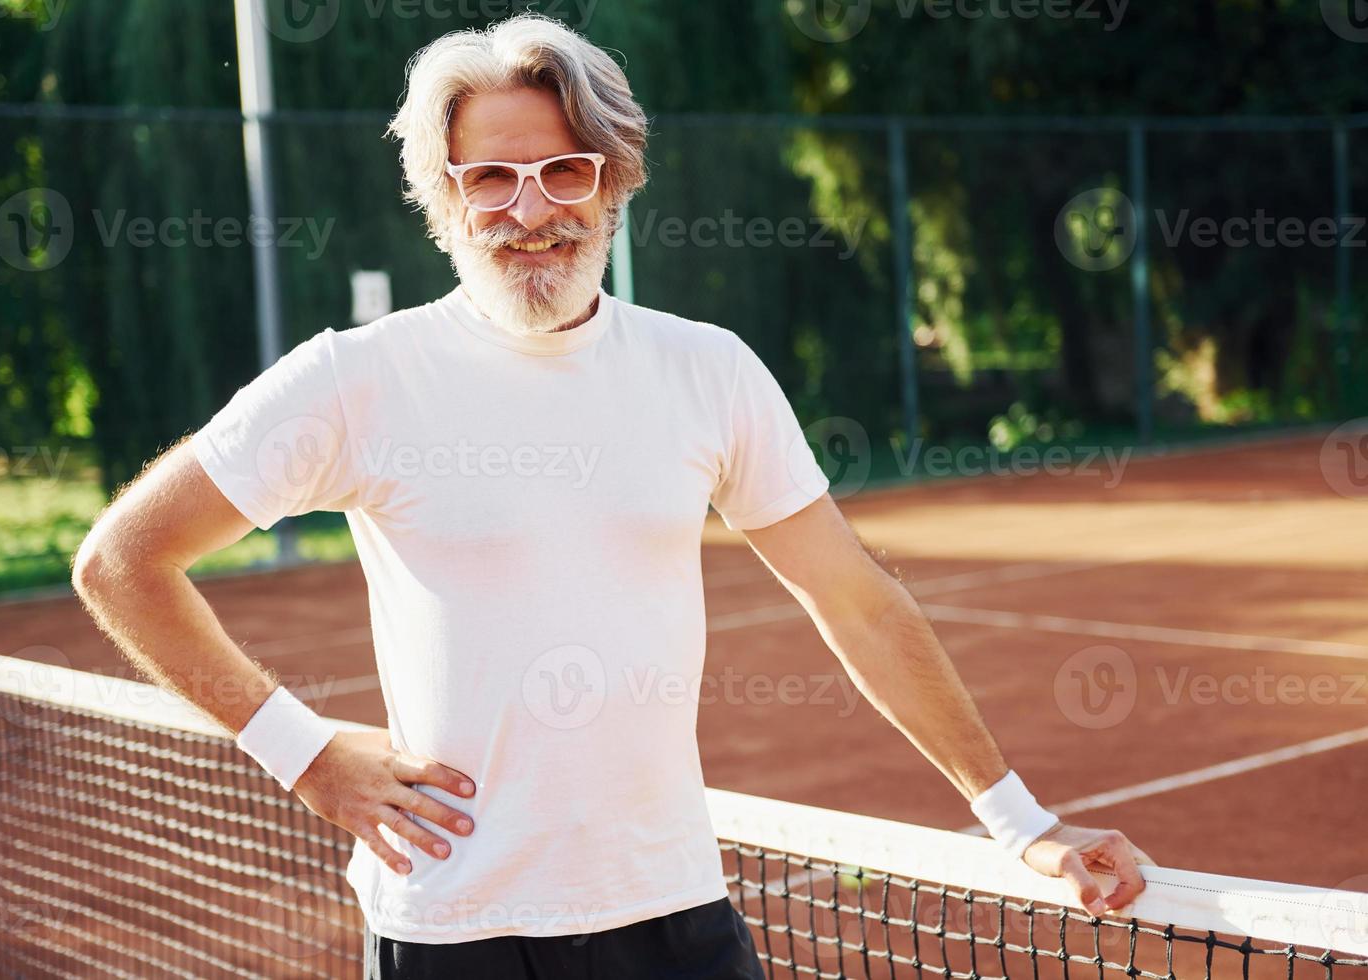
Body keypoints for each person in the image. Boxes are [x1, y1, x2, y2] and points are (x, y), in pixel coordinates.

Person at [72, 13, 1151, 979]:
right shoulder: (359, 379)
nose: (529, 208)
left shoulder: (709, 370)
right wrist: (304, 753)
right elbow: (123, 560)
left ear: (617, 179)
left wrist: (1018, 821)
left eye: (564, 172)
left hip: (675, 914)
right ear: (442, 196)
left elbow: (855, 597)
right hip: (456, 930)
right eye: (489, 177)